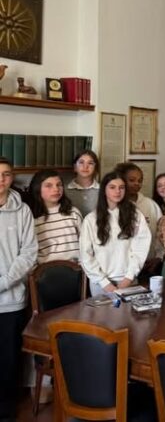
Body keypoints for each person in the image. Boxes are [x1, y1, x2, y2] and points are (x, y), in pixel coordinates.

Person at [0, 157, 38, 421]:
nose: (1, 179)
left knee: (9, 359)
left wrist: (4, 282)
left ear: (12, 178)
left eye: (6, 174)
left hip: (11, 299)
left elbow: (29, 252)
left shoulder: (22, 210)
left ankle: (5, 410)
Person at [79, 171, 151, 296]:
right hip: (101, 283)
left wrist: (128, 278)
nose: (117, 191)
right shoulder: (91, 219)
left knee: (128, 310)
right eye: (112, 187)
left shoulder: (135, 215)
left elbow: (141, 248)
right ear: (104, 190)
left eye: (121, 187)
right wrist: (104, 283)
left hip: (128, 280)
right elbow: (85, 254)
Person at [28, 169, 82, 263]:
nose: (56, 189)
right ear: (37, 188)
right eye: (49, 186)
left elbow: (85, 244)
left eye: (59, 185)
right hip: (45, 268)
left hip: (75, 266)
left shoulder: (73, 212)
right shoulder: (30, 218)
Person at [64, 149, 100, 217]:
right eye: (81, 162)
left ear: (95, 168)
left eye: (90, 163)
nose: (85, 166)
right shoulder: (64, 191)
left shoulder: (103, 191)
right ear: (75, 167)